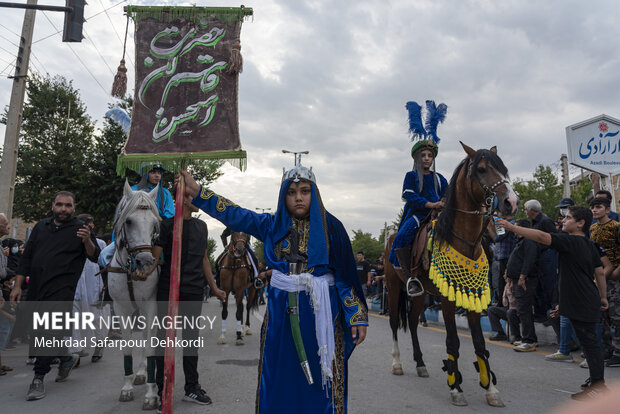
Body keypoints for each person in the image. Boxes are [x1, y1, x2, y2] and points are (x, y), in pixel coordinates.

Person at [176, 160, 368, 414]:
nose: (298, 198)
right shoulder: (270, 225)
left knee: (323, 383)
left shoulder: (333, 228)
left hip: (321, 317)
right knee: (279, 377)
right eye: (291, 192)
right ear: (283, 195)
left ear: (315, 193)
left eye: (304, 191)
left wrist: (356, 315)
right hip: (281, 317)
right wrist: (200, 193)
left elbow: (344, 277)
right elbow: (236, 214)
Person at [497, 206, 608, 400]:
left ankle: (599, 386)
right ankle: (596, 383)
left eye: (568, 218)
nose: (563, 221)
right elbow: (598, 272)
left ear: (580, 224)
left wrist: (511, 227)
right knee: (589, 344)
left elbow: (541, 236)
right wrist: (603, 296)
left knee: (590, 345)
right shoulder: (589, 244)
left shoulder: (570, 241)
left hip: (581, 301)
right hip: (584, 299)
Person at [9, 191, 101, 401]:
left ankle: (38, 378)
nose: (63, 209)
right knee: (38, 331)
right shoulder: (42, 227)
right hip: (36, 290)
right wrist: (17, 286)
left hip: (62, 291)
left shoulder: (81, 229)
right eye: (59, 205)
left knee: (47, 332)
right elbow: (27, 257)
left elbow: (95, 257)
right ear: (53, 206)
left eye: (68, 205)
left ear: (74, 207)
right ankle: (66, 357)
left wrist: (87, 241)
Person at [152, 192, 225, 408]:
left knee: (191, 342)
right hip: (168, 290)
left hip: (193, 291)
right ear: (182, 200)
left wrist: (214, 287)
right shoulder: (166, 225)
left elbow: (203, 258)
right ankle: (162, 390)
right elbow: (155, 257)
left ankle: (192, 388)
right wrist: (144, 273)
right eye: (193, 196)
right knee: (163, 343)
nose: (197, 201)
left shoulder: (201, 227)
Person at [69, 214, 109, 363]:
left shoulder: (99, 243)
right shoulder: (71, 242)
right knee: (75, 319)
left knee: (97, 319)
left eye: (90, 226)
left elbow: (104, 264)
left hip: (95, 285)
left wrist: (104, 286)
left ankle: (99, 345)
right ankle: (75, 352)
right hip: (78, 285)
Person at [589, 196, 620, 367]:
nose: (595, 210)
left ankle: (618, 351)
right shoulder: (592, 228)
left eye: (599, 207)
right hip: (599, 276)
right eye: (593, 207)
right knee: (602, 315)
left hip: (615, 277)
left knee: (617, 315)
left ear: (608, 210)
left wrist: (616, 271)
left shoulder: (616, 227)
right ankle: (607, 349)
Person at [504, 219, 539, 352]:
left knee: (524, 310)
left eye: (516, 227)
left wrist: (522, 276)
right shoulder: (520, 241)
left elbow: (529, 260)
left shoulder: (529, 240)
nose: (514, 229)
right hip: (517, 280)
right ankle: (528, 338)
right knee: (522, 309)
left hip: (525, 280)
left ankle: (529, 340)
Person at [524, 199, 557, 321]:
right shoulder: (535, 222)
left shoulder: (545, 221)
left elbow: (554, 239)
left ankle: (550, 315)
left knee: (548, 285)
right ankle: (541, 314)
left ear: (532, 210)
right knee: (539, 287)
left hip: (547, 256)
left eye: (525, 209)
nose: (525, 212)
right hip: (538, 257)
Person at [487, 276, 520, 343]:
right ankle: (500, 333)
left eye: (506, 275)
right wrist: (505, 293)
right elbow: (504, 303)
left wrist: (510, 292)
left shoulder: (517, 285)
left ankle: (516, 336)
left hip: (517, 310)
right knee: (491, 309)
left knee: (510, 312)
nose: (504, 276)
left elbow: (514, 302)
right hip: (509, 308)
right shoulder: (507, 285)